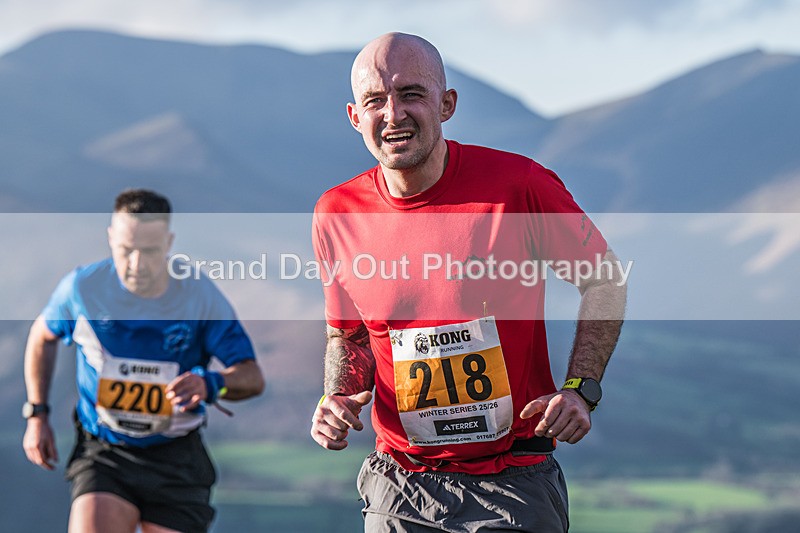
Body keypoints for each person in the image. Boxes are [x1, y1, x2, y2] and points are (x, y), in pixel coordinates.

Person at [310, 33, 627, 532]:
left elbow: (604, 280)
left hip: (513, 483)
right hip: (399, 484)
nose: (393, 114)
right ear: (355, 117)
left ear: (447, 104)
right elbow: (348, 333)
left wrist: (580, 389)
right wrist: (337, 396)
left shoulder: (518, 185)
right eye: (375, 100)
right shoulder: (336, 213)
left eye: (411, 94)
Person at [22, 189, 265, 533]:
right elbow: (41, 337)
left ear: (168, 243)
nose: (136, 264)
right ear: (110, 238)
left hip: (176, 459)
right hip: (106, 452)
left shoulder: (199, 296)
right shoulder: (82, 289)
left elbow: (252, 377)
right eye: (125, 250)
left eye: (149, 251)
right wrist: (37, 413)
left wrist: (210, 383)